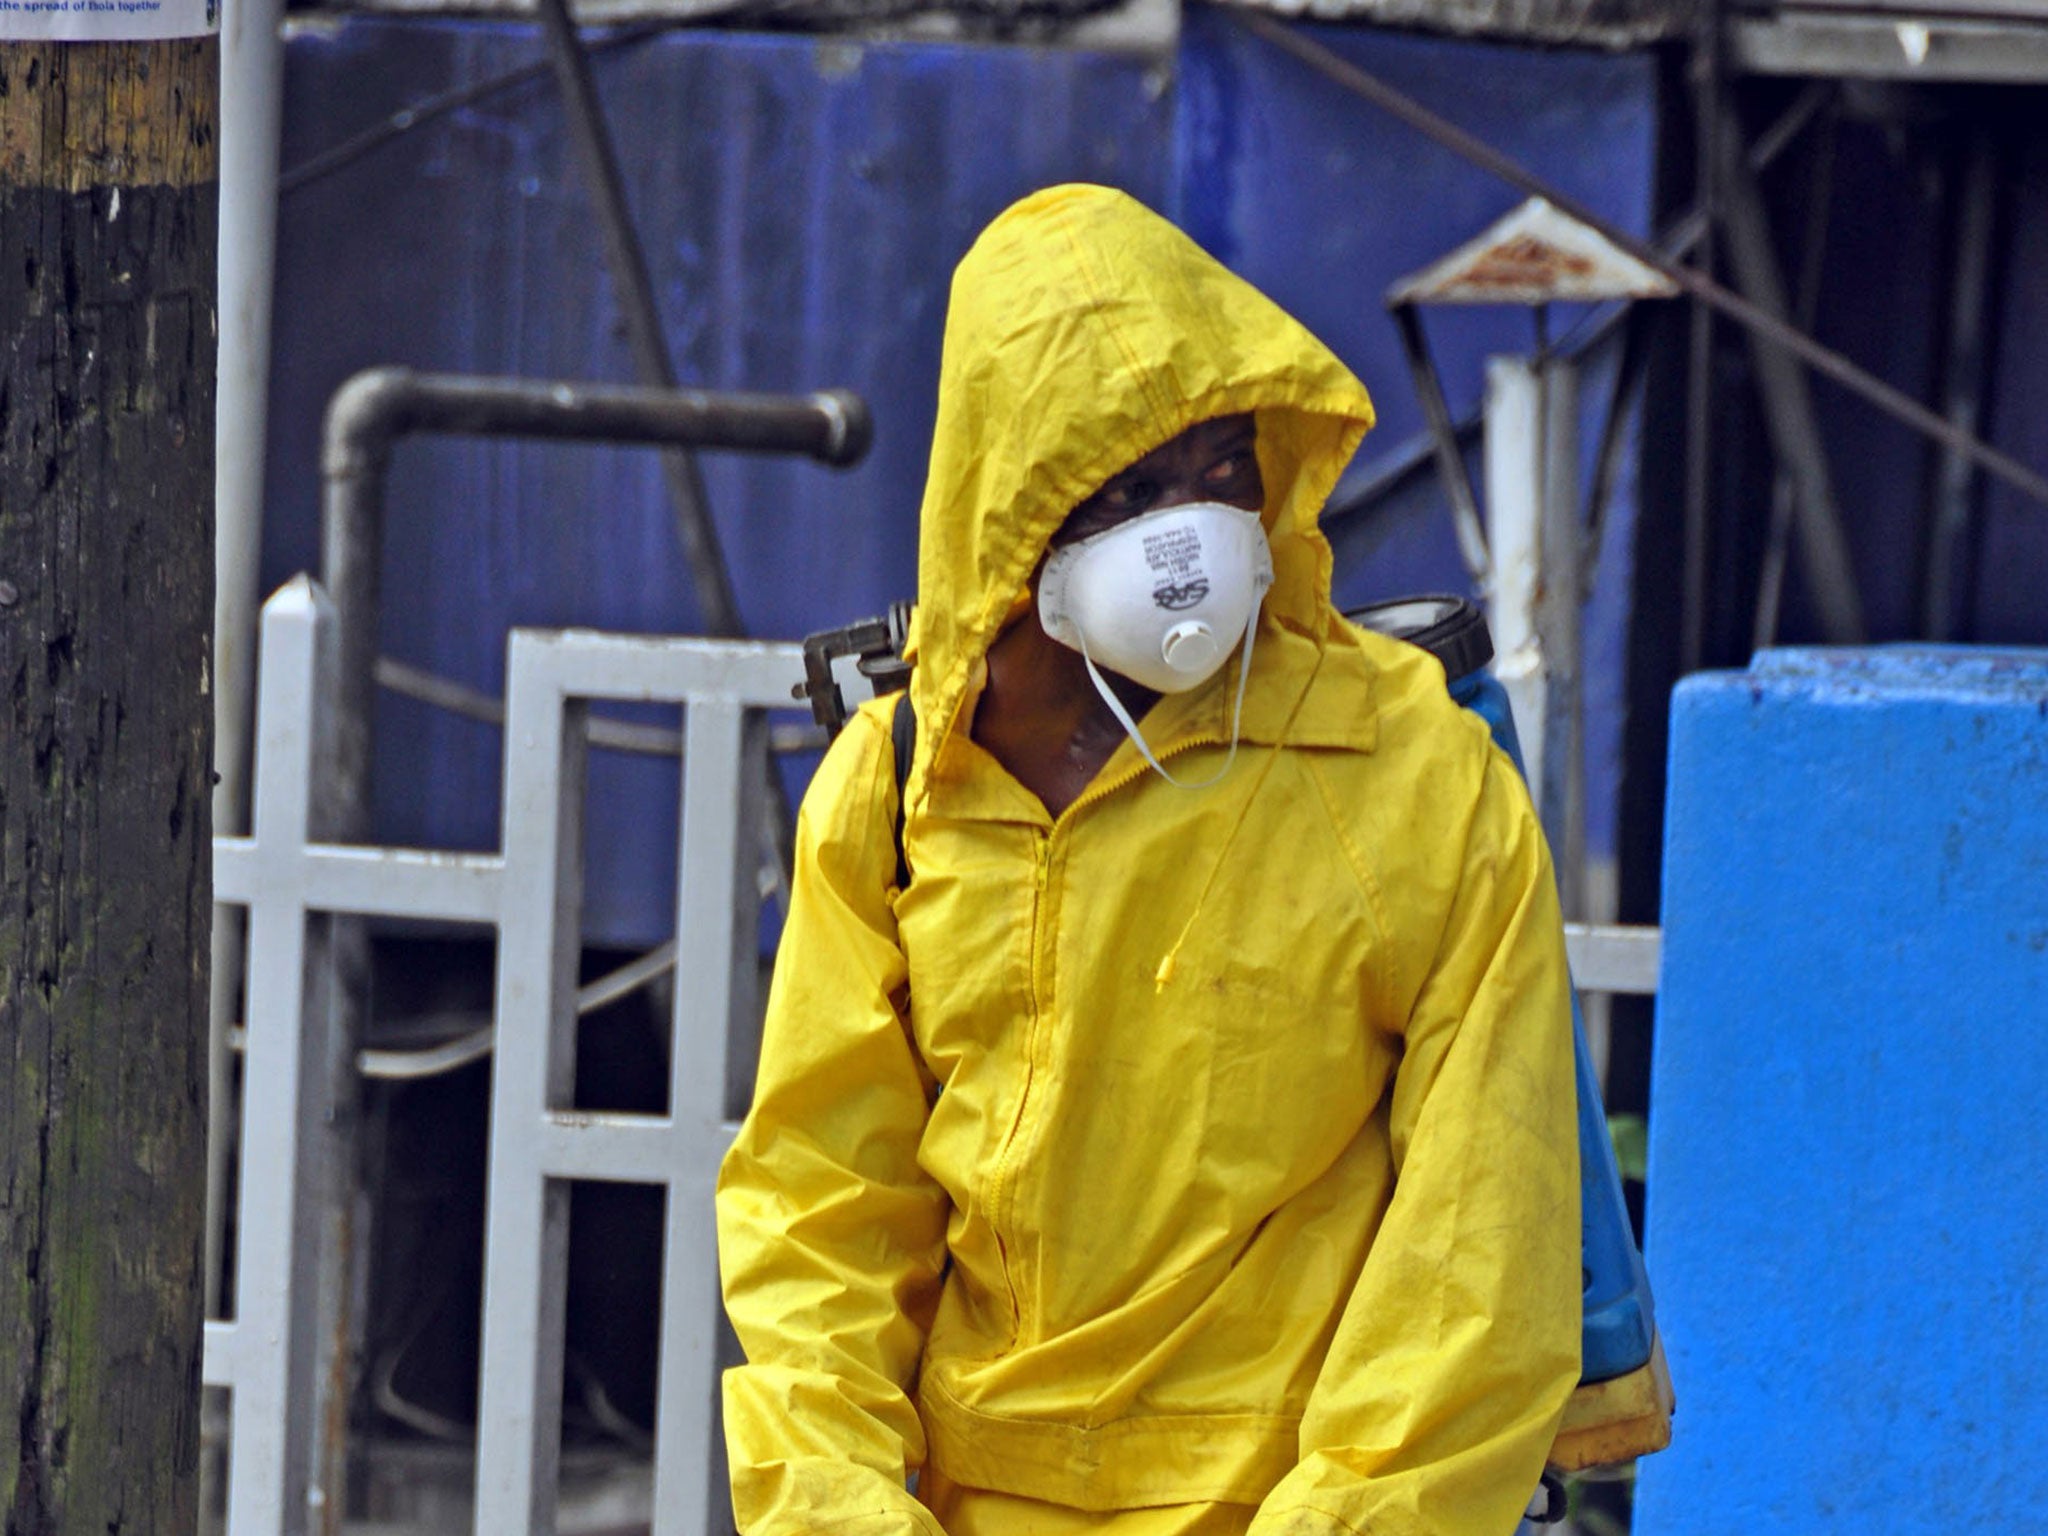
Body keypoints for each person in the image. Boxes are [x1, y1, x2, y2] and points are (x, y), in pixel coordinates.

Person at [716, 183, 1581, 1536]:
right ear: (1010, 517)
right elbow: (821, 1216)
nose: (1189, 537)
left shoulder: (1414, 776)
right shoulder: (894, 793)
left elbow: (1477, 1263)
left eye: (1224, 469)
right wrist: (840, 1513)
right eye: (1122, 488)